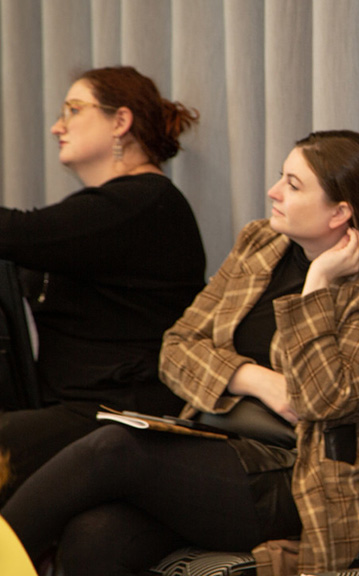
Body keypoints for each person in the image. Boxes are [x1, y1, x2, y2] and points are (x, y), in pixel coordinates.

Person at [0, 130, 359, 575]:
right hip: (208, 445)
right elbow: (177, 349)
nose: (273, 191)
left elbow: (321, 400)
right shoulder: (261, 243)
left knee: (116, 447)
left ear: (340, 212)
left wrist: (316, 287)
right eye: (281, 176)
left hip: (297, 478)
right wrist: (258, 380)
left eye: (294, 185)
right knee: (93, 537)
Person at [0, 66, 206, 504]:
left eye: (73, 110)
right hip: (73, 407)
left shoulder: (145, 202)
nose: (58, 126)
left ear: (120, 121)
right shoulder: (107, 207)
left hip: (119, 414)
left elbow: (18, 233)